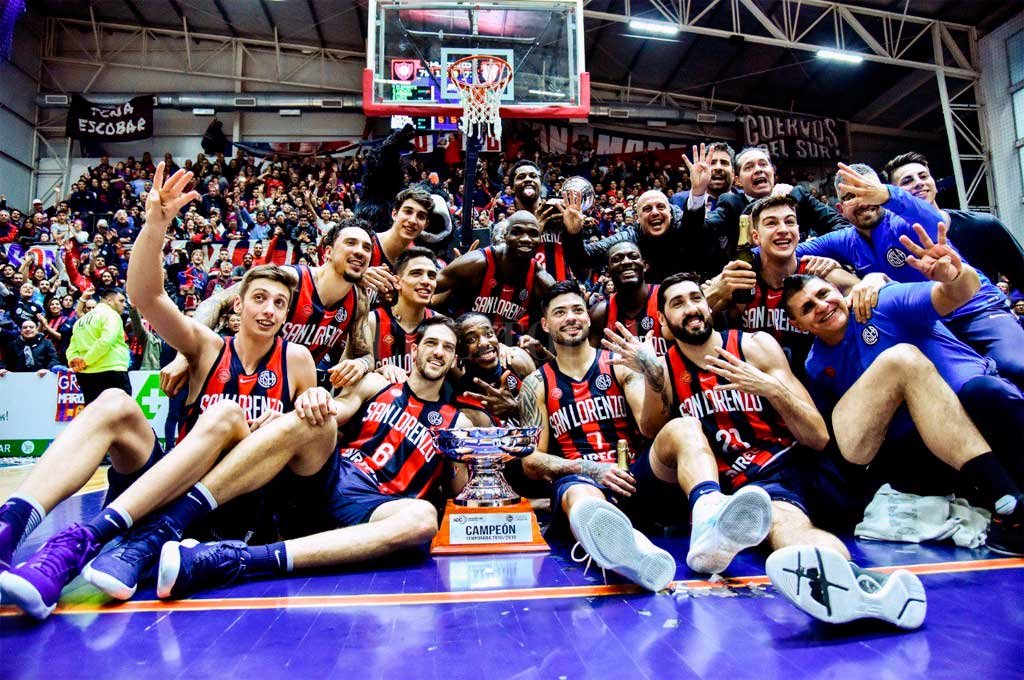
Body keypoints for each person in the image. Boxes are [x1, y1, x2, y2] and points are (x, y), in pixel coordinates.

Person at [0, 163, 317, 619]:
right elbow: (147, 297)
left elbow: (300, 444)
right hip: (163, 485)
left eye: (280, 303)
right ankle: (12, 525)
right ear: (238, 305)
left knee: (228, 417)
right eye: (260, 299)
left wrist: (285, 420)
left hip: (232, 501)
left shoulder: (296, 361)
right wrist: (154, 227)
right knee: (113, 402)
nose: (269, 309)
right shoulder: (206, 348)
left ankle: (104, 539)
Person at [149, 317, 476, 599]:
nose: (438, 352)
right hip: (332, 476)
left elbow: (459, 492)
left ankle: (240, 559)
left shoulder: (457, 423)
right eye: (431, 343)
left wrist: (459, 460)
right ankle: (173, 520)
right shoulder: (378, 384)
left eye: (447, 348)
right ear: (415, 349)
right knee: (314, 418)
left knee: (422, 517)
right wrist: (317, 397)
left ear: (454, 360)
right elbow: (337, 411)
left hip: (379, 509)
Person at [782, 222, 1024, 558]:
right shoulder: (815, 364)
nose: (821, 306)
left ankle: (1007, 501)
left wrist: (954, 274)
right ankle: (1004, 499)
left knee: (962, 384)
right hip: (904, 450)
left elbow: (954, 295)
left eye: (823, 295)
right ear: (799, 325)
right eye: (807, 308)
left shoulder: (882, 302)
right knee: (899, 363)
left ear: (840, 292)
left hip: (972, 410)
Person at [797, 163, 1024, 388]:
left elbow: (936, 221)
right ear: (841, 209)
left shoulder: (905, 220)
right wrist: (759, 259)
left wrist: (888, 195)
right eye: (850, 196)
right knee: (967, 394)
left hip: (976, 311)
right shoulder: (843, 241)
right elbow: (786, 254)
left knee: (1016, 367)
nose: (862, 200)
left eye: (867, 190)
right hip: (930, 328)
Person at [515, 281, 679, 592]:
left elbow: (650, 428)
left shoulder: (617, 365)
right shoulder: (536, 384)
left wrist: (655, 374)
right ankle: (635, 554)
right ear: (546, 324)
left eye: (578, 310)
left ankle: (707, 511)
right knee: (580, 495)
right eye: (560, 312)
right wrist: (591, 469)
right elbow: (531, 461)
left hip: (634, 479)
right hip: (582, 483)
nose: (571, 318)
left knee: (683, 429)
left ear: (589, 317)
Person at [162, 219, 375, 395]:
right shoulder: (291, 279)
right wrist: (186, 355)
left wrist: (361, 365)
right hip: (240, 378)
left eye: (366, 248)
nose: (360, 252)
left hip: (290, 390)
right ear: (328, 252)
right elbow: (216, 301)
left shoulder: (359, 300)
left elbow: (365, 354)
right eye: (351, 243)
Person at [702, 195, 863, 376]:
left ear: (798, 230)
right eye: (771, 223)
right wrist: (716, 292)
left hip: (819, 380)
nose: (783, 229)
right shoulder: (739, 280)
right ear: (755, 237)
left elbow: (867, 292)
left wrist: (875, 279)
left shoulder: (818, 271)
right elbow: (687, 322)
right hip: (755, 386)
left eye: (790, 222)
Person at [682, 145, 847, 277]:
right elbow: (696, 234)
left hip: (799, 284)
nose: (758, 169)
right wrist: (698, 192)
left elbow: (842, 229)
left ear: (773, 172)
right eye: (749, 167)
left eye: (763, 164)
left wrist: (811, 250)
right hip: (749, 291)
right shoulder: (731, 204)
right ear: (738, 180)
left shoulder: (797, 195)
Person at [884, 151, 1024, 292]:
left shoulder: (983, 225)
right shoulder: (890, 242)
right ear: (895, 195)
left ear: (934, 184)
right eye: (907, 181)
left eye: (923, 176)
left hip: (985, 309)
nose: (919, 183)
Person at [434, 210, 554, 341]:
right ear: (505, 236)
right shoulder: (475, 263)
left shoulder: (540, 279)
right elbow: (425, 288)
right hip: (461, 339)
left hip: (504, 345)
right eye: (517, 232)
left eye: (533, 234)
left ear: (539, 240)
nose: (525, 239)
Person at [363, 246, 438, 382]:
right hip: (379, 400)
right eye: (416, 273)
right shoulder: (372, 322)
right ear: (397, 282)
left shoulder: (440, 324)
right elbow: (345, 383)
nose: (426, 281)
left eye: (431, 276)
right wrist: (378, 372)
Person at [451, 312, 536, 424]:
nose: (484, 343)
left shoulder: (518, 361)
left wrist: (516, 410)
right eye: (471, 339)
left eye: (489, 334)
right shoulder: (466, 408)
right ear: (460, 352)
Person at [588, 241, 668, 356]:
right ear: (608, 271)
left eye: (633, 257)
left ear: (645, 266)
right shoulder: (600, 313)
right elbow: (591, 362)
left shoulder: (666, 297)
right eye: (617, 259)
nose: (626, 262)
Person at [361, 186, 434, 297]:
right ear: (394, 214)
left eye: (421, 216)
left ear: (426, 224)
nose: (413, 220)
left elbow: (432, 298)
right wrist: (357, 276)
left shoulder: (416, 260)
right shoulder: (364, 243)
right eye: (408, 212)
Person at [65, 287, 131, 403]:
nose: (124, 305)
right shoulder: (111, 315)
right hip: (111, 371)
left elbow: (72, 347)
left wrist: (76, 362)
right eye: (121, 300)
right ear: (109, 300)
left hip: (86, 375)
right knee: (119, 417)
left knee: (95, 416)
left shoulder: (80, 321)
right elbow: (105, 340)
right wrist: (86, 361)